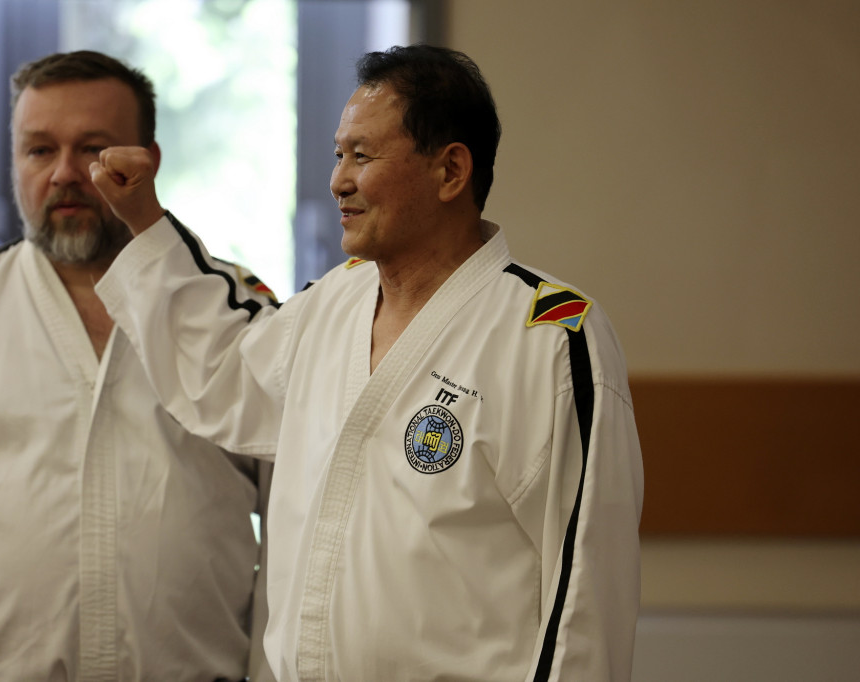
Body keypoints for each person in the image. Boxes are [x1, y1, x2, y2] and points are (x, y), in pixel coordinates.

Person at [92, 44, 644, 681]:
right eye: (338, 155)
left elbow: (585, 598)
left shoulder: (548, 338)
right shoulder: (335, 301)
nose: (338, 181)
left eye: (362, 155)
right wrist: (144, 221)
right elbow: (226, 374)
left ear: (450, 171)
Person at [0, 50, 276, 681]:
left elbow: (299, 524)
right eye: (39, 150)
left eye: (93, 149)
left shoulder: (232, 314)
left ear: (147, 160)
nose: (65, 173)